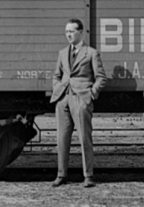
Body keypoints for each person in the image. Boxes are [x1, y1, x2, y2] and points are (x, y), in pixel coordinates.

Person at [50, 19, 107, 188]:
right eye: (66, 31)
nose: (68, 34)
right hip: (63, 99)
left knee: (84, 138)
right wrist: (58, 90)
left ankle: (88, 176)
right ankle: (61, 175)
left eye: (72, 31)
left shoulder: (91, 53)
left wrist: (90, 94)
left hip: (81, 99)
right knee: (61, 139)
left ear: (80, 32)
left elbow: (101, 78)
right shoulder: (62, 53)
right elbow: (56, 75)